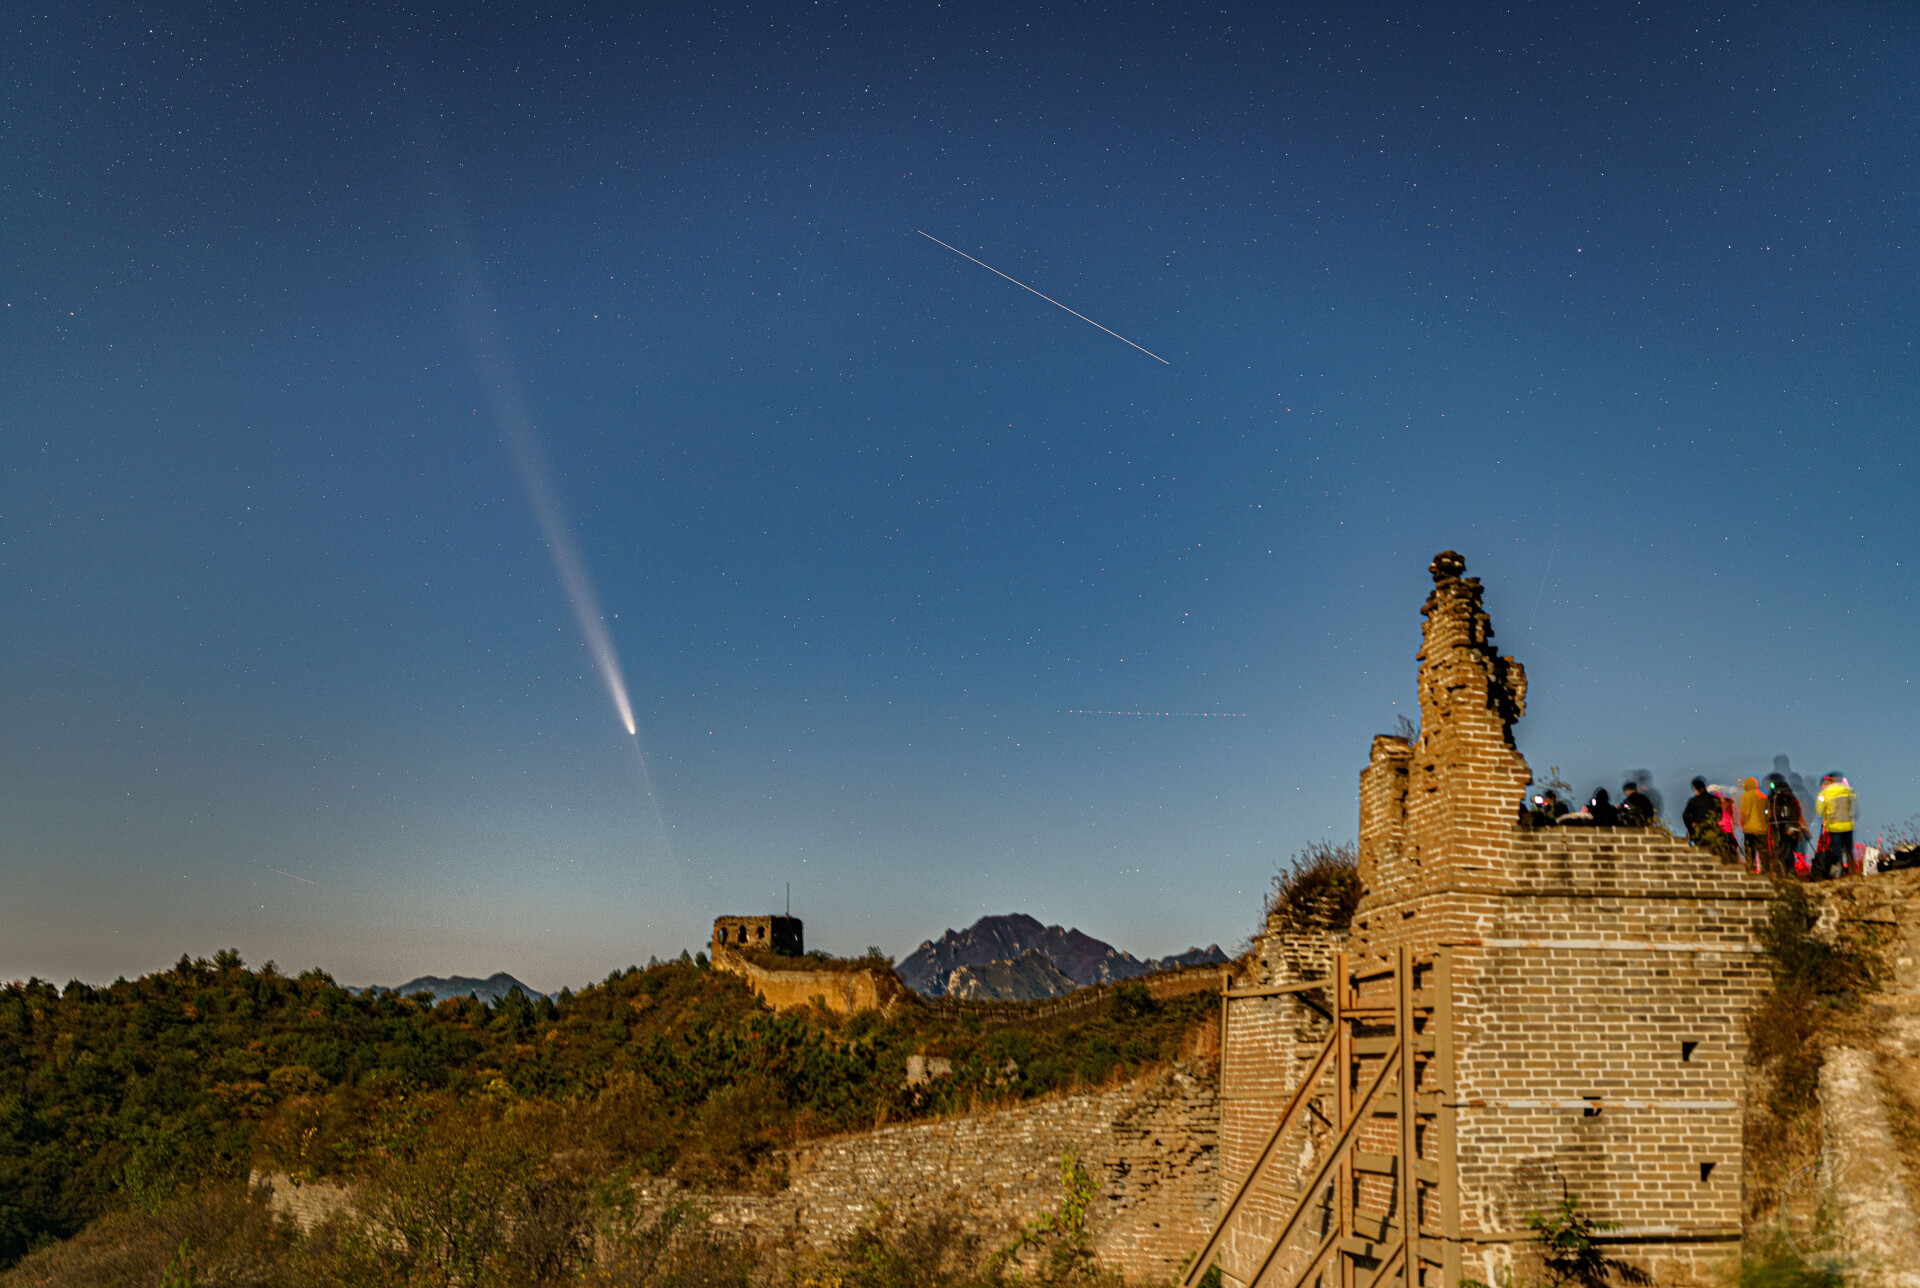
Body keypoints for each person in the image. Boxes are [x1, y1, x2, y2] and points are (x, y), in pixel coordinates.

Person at [1817, 773, 1859, 878]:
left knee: (1837, 851)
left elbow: (1819, 811)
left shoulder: (1824, 793)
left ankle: (1839, 873)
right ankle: (1851, 869)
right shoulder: (1846, 790)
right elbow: (1855, 804)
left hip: (1834, 827)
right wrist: (1853, 817)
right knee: (1848, 850)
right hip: (1848, 825)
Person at [1768, 773, 1808, 878]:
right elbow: (1772, 816)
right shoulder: (1782, 801)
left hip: (1788, 832)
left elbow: (1795, 816)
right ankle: (1785, 871)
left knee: (1787, 851)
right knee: (1783, 851)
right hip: (1781, 831)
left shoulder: (1790, 801)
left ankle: (1789, 871)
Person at [1683, 778, 1729, 857]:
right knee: (1714, 855)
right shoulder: (1715, 800)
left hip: (1699, 833)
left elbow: (1685, 815)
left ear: (1695, 789)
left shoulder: (1693, 801)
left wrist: (1691, 828)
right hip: (1713, 832)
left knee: (1702, 855)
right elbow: (1720, 815)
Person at [1739, 777, 1770, 873]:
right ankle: (1765, 871)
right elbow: (1768, 814)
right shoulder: (1764, 797)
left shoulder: (1745, 797)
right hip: (1762, 829)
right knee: (1763, 852)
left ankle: (1751, 869)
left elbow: (1744, 813)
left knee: (1750, 851)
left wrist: (1742, 824)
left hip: (1749, 829)